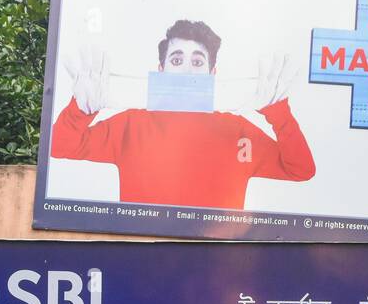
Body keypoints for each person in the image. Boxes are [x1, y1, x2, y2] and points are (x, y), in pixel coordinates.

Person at [51, 19, 316, 209]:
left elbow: (301, 169)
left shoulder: (238, 131)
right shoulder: (131, 124)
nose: (187, 70)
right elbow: (61, 147)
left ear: (212, 73)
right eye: (177, 60)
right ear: (161, 68)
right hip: (143, 261)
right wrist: (80, 110)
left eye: (198, 62)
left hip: (215, 264)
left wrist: (278, 112)